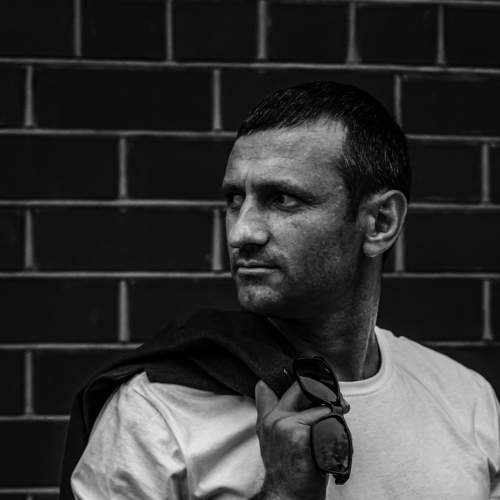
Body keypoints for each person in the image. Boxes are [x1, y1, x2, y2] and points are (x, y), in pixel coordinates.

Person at [66, 81, 500, 499]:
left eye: (282, 199)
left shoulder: (466, 401)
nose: (241, 233)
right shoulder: (156, 411)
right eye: (235, 200)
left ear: (380, 222)